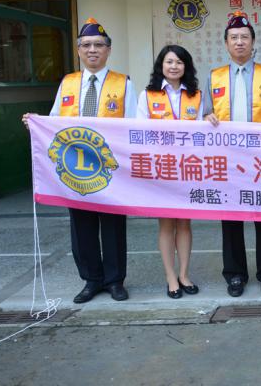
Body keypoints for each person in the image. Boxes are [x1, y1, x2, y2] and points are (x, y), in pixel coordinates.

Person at [23, 18, 136, 303]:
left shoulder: (123, 84)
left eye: (98, 45)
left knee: (113, 226)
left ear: (108, 50)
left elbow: (134, 125)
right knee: (81, 226)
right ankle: (91, 280)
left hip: (110, 170)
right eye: (86, 45)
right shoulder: (68, 83)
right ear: (78, 51)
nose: (92, 50)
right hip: (75, 169)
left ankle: (115, 280)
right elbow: (54, 120)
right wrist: (35, 123)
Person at [204, 11, 261, 297]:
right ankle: (235, 274)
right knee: (231, 217)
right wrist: (207, 117)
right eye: (234, 38)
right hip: (228, 157)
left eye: (244, 37)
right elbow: (205, 112)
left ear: (253, 42)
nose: (239, 42)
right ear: (226, 43)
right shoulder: (215, 76)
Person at [137, 45, 202, 299]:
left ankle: (184, 274)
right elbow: (140, 133)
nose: (174, 66)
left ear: (186, 67)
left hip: (188, 167)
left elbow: (202, 134)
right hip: (161, 168)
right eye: (169, 62)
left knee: (184, 223)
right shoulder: (147, 95)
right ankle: (170, 276)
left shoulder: (196, 95)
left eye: (179, 62)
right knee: (166, 224)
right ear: (161, 66)